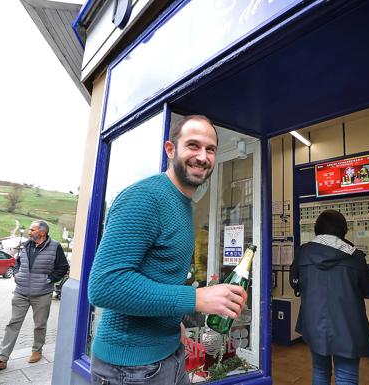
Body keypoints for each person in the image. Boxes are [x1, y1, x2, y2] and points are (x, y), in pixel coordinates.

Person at [87, 115, 248, 385]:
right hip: (130, 368)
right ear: (171, 150)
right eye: (193, 145)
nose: (202, 156)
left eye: (210, 149)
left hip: (169, 354)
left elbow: (157, 275)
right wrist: (195, 299)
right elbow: (105, 285)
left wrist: (175, 323)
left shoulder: (184, 203)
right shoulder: (145, 198)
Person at [290, 209, 369, 385]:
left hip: (314, 323)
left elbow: (294, 282)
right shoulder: (354, 256)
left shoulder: (304, 252)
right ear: (343, 230)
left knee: (320, 371)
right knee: (346, 376)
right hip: (348, 326)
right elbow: (368, 286)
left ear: (317, 228)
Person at [0, 220, 70, 370]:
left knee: (40, 324)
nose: (29, 232)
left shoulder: (55, 246)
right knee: (13, 324)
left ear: (42, 232)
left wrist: (49, 279)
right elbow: (18, 262)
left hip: (42, 293)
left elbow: (63, 267)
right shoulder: (26, 245)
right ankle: (2, 359)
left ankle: (37, 350)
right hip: (21, 292)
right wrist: (17, 273)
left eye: (32, 230)